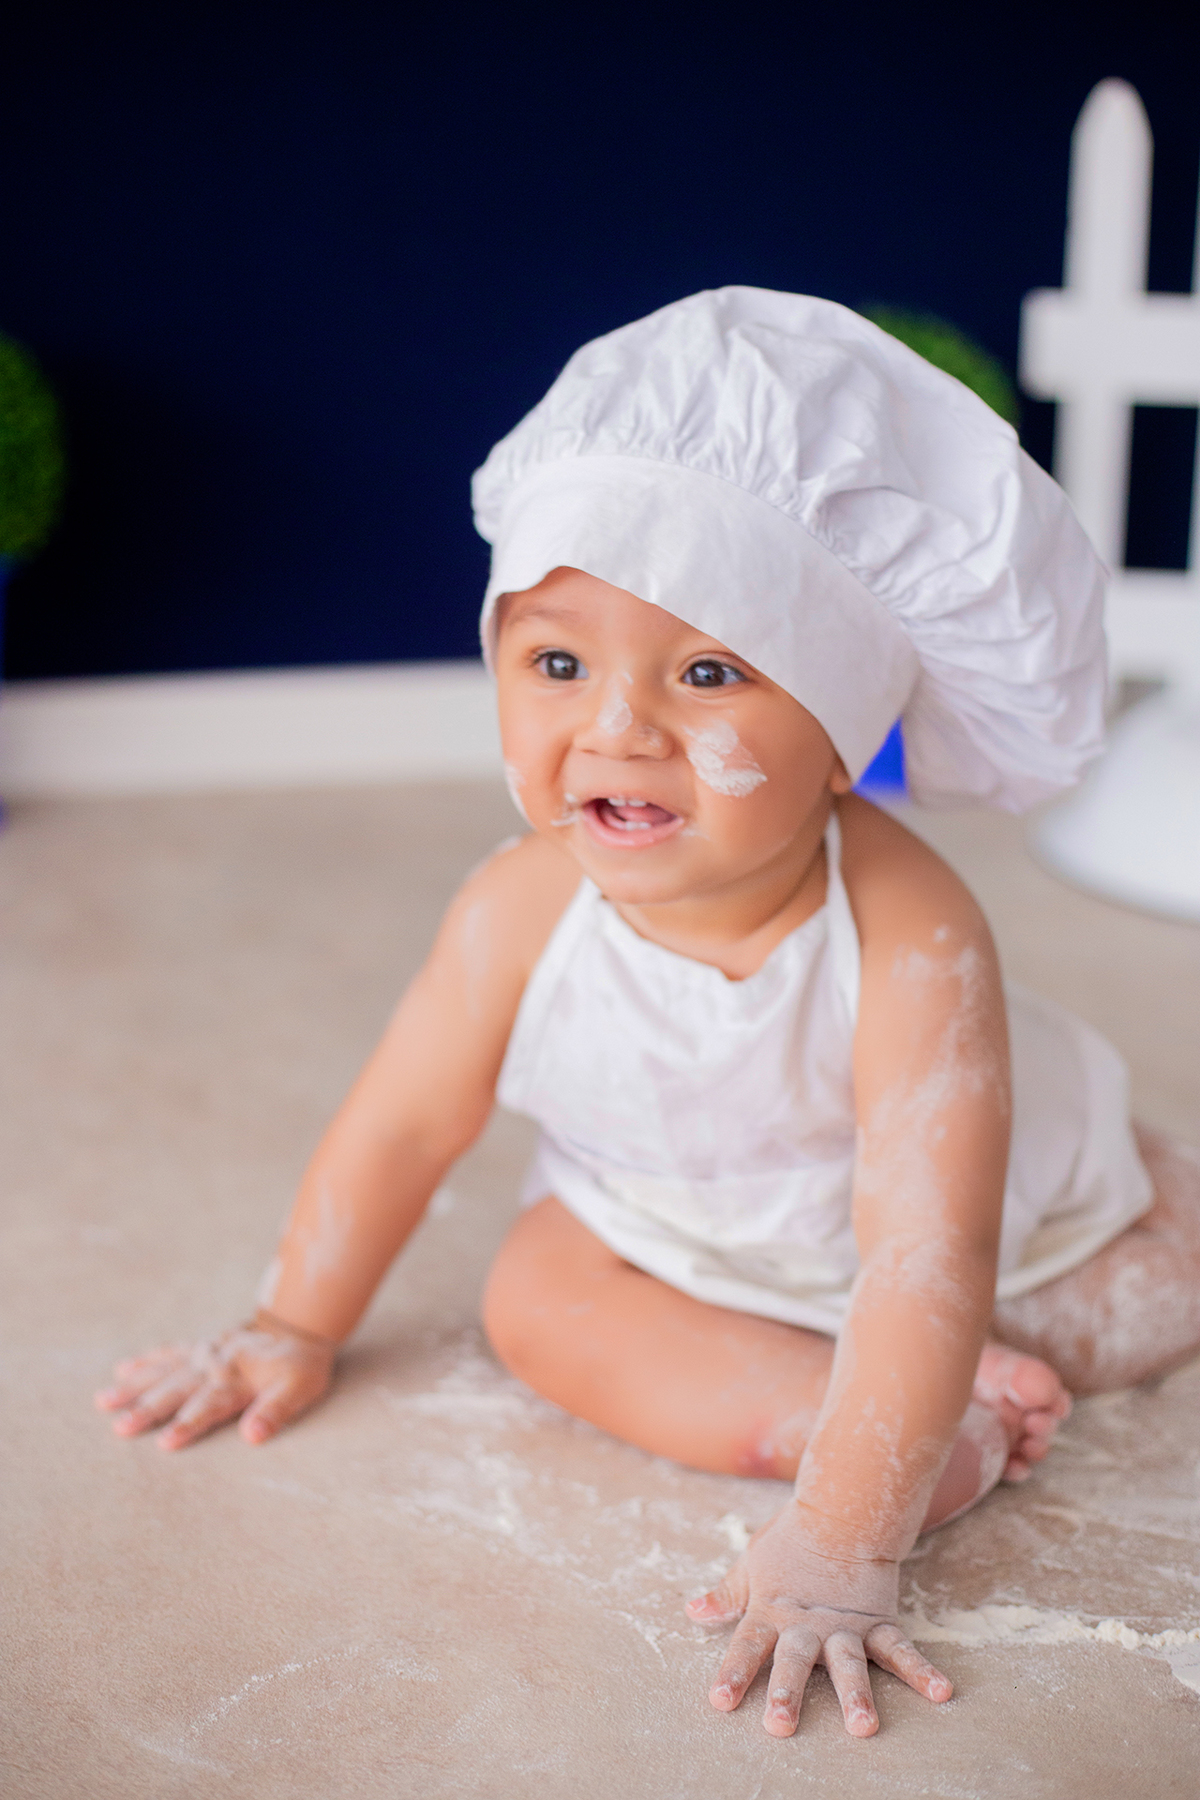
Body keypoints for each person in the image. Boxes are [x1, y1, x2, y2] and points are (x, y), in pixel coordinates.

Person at [95, 290, 1200, 1740]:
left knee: (1143, 1290)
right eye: (558, 663)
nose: (616, 727)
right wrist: (290, 1322)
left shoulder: (912, 928)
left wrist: (844, 1551)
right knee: (531, 1304)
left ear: (842, 734)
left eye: (708, 672)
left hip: (940, 1229)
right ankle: (900, 1421)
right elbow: (405, 1121)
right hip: (665, 1216)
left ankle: (906, 1423)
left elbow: (927, 1244)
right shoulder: (517, 907)